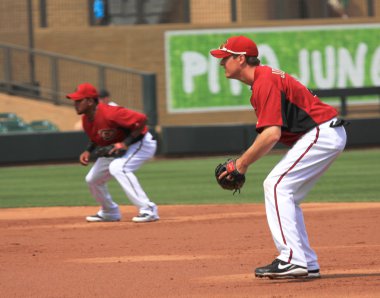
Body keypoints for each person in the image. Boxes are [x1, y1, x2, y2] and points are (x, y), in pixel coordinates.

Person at [210, 36, 347, 279]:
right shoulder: (263, 79)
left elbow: (271, 134)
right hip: (323, 133)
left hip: (320, 133)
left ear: (241, 59)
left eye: (225, 58)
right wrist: (242, 164)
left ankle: (291, 259)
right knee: (286, 194)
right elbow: (272, 134)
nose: (222, 64)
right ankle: (306, 262)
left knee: (276, 185)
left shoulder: (264, 81)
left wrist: (240, 165)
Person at [66, 82, 159, 223]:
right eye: (75, 101)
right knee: (93, 179)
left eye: (79, 101)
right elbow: (96, 137)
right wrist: (88, 151)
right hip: (119, 147)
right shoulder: (86, 119)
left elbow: (142, 119)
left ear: (90, 101)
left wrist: (125, 143)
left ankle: (148, 209)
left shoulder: (111, 112)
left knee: (119, 168)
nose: (75, 104)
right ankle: (109, 211)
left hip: (141, 143)